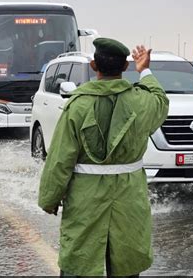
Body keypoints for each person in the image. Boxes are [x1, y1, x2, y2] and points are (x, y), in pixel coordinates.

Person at [38, 38, 169, 277]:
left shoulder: (77, 105)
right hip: (129, 195)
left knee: (80, 260)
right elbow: (161, 100)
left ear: (94, 66)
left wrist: (50, 198)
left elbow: (59, 159)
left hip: (86, 197)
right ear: (125, 67)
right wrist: (145, 70)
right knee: (127, 260)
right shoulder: (142, 102)